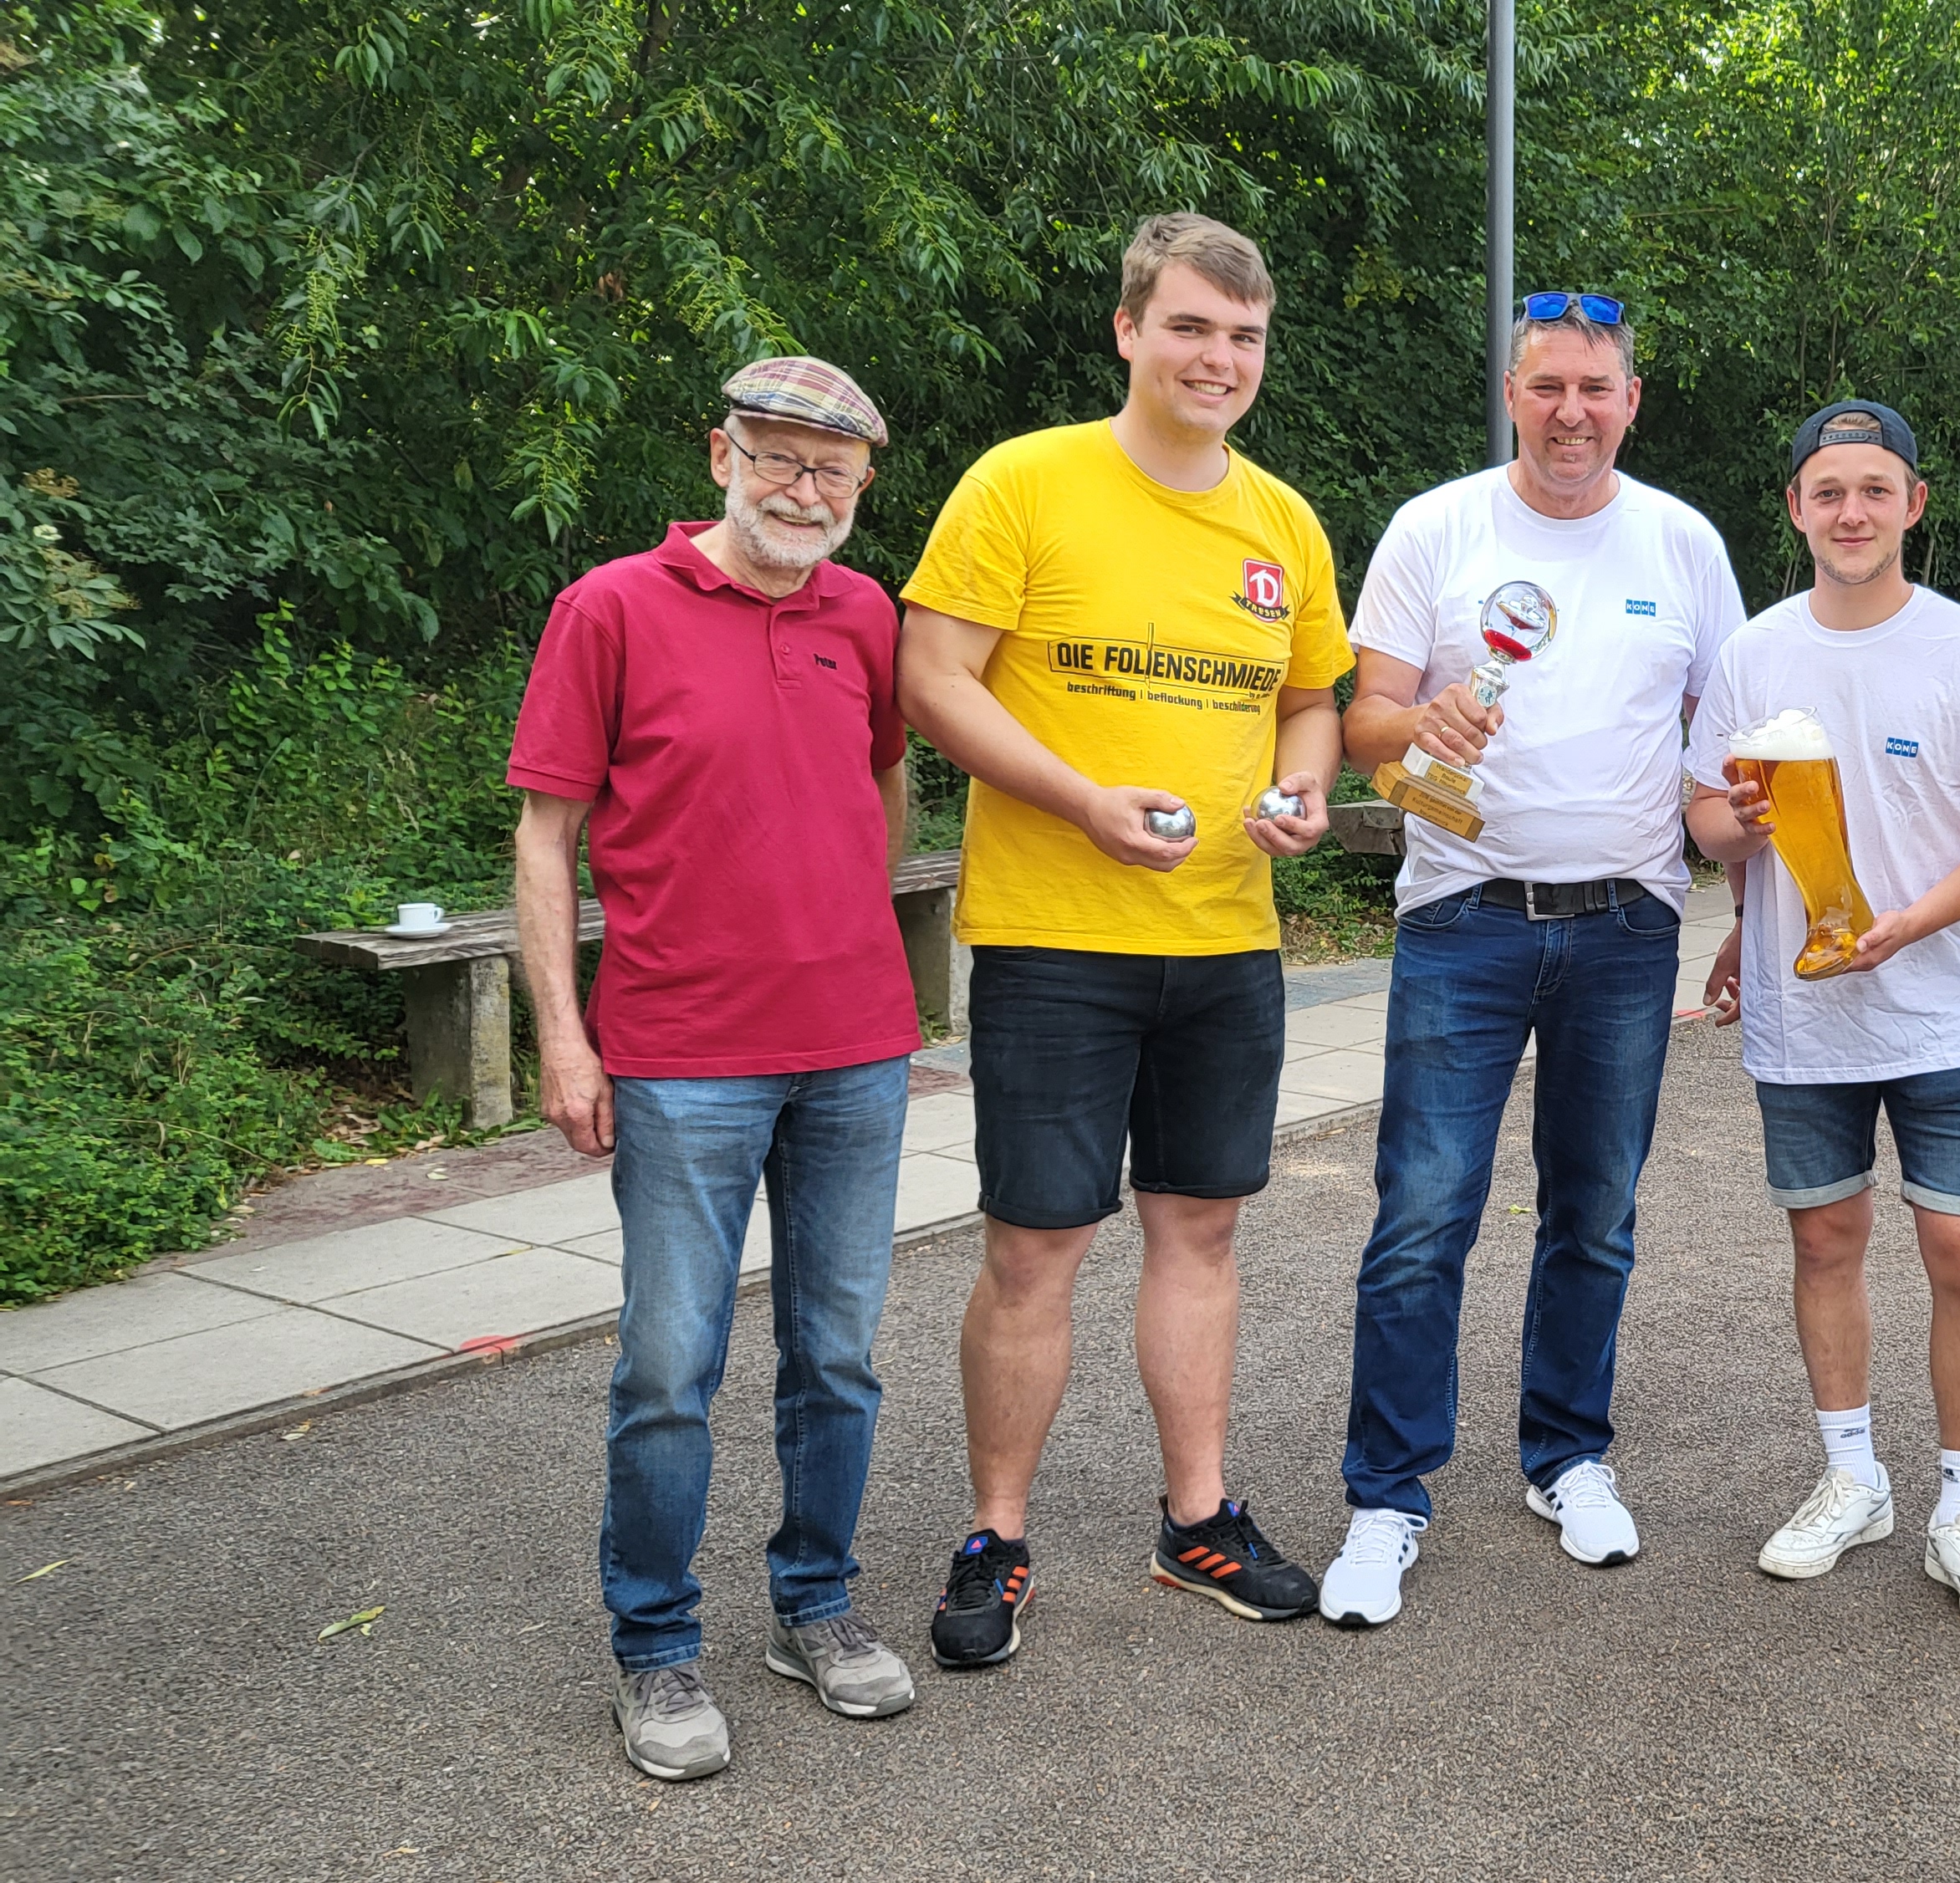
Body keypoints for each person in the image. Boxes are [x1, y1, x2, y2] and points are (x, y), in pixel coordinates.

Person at [896, 213, 1347, 1666]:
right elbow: (932, 677)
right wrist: (1081, 801)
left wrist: (1304, 790)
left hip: (1225, 936)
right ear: (1129, 331)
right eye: (1191, 326)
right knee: (1037, 1246)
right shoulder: (1024, 481)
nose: (1219, 358)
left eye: (1244, 336)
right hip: (1055, 936)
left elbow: (1312, 700)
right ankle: (996, 1536)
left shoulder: (1283, 523)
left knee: (1200, 1231)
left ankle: (1197, 1519)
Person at [511, 356, 919, 1780]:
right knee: (669, 1366)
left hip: (857, 1045)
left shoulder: (863, 613)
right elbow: (546, 837)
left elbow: (883, 773)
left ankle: (816, 1605)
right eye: (778, 458)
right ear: (720, 457)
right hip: (682, 1051)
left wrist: (858, 914)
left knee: (839, 1356)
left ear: (861, 486)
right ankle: (655, 1646)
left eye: (832, 470)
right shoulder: (611, 608)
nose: (803, 490)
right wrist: (564, 1034)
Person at [1316, 293, 1745, 1626]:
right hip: (1464, 916)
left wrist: (1756, 914)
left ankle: (1568, 1458)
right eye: (1548, 386)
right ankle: (1387, 1495)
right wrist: (1415, 722)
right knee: (1422, 1216)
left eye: (1596, 388)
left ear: (1631, 401)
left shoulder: (1682, 540)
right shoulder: (1435, 527)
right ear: (1512, 393)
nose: (1572, 412)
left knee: (1595, 1215)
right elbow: (1361, 723)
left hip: (1628, 924)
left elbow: (1727, 746)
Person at [1682, 401, 1960, 1631]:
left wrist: (1911, 923)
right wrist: (1742, 833)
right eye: (1829, 491)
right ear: (1795, 508)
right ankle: (1854, 1480)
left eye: (1875, 490)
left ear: (1913, 505)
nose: (1852, 512)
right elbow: (1707, 820)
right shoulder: (1755, 654)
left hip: (1946, 1008)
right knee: (1826, 1243)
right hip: (1805, 1013)